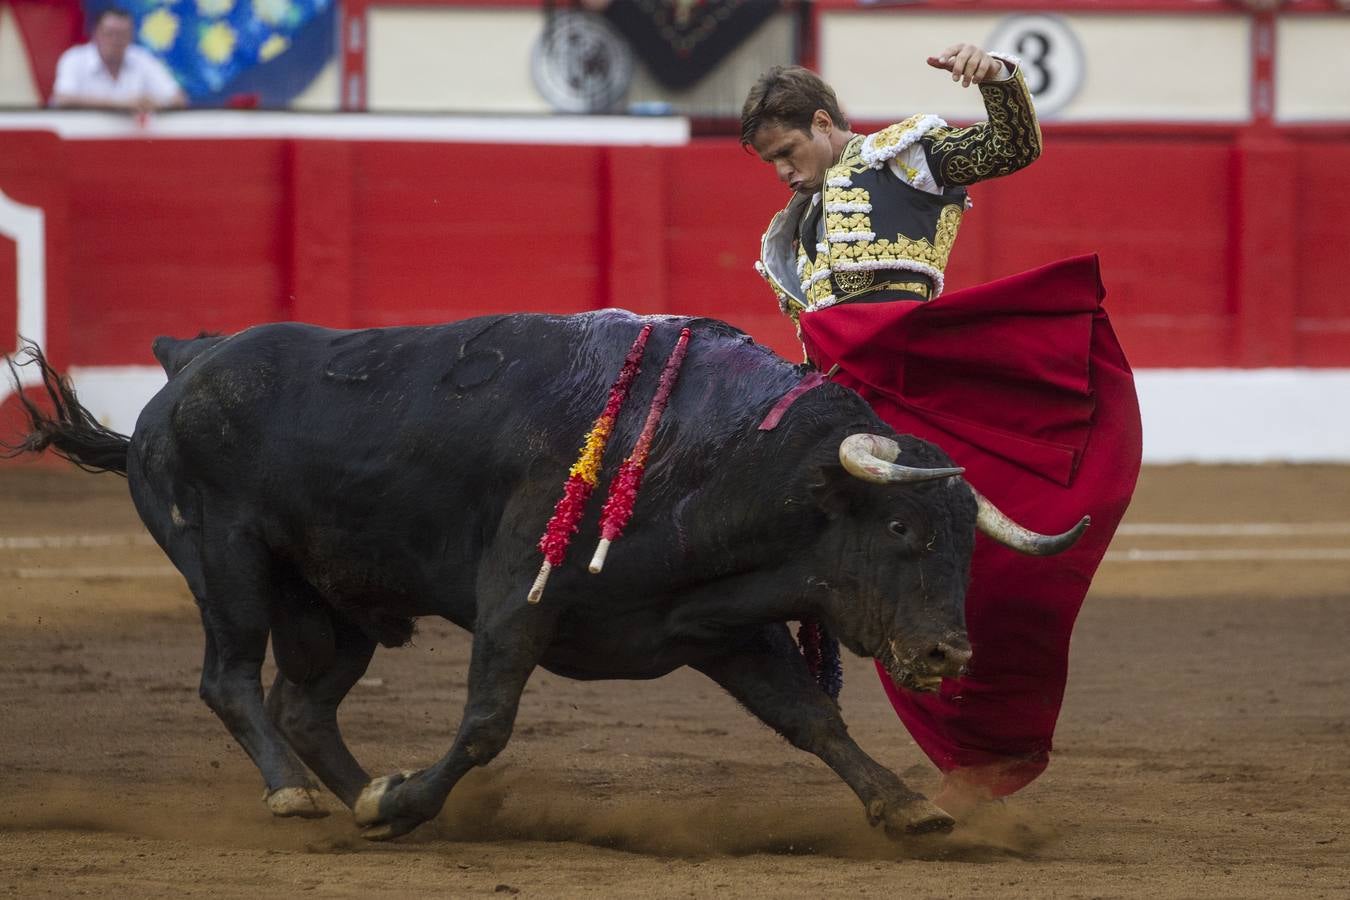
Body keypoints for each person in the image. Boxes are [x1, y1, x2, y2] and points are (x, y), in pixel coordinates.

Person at [743, 45, 1143, 816]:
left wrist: (997, 77)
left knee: (980, 569)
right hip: (856, 409)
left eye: (789, 152)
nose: (785, 174)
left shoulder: (899, 160)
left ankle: (987, 752)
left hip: (927, 386)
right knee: (880, 576)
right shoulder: (790, 231)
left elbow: (1011, 147)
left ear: (823, 123)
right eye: (771, 164)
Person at [51, 7, 186, 113]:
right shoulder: (74, 59)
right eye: (110, 33)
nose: (116, 41)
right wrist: (122, 104)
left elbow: (178, 99)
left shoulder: (142, 58)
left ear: (131, 36)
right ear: (96, 33)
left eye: (122, 34)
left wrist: (152, 104)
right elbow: (63, 99)